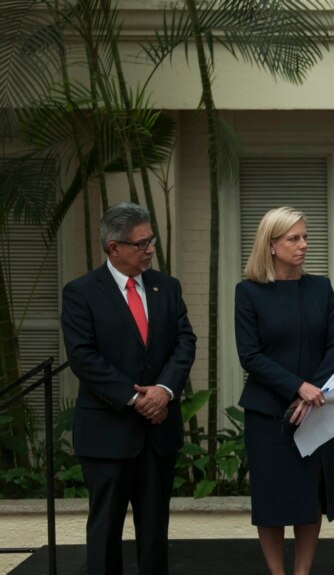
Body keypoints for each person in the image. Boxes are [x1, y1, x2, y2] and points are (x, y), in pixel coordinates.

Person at [61, 202, 196, 575]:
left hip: (158, 432)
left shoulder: (166, 287)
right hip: (107, 432)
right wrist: (136, 397)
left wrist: (164, 390)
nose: (150, 249)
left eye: (151, 240)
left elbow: (185, 342)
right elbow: (83, 357)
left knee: (154, 533)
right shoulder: (81, 292)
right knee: (105, 532)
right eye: (141, 243)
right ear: (113, 248)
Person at [235, 207, 334, 575]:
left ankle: (303, 572)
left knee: (308, 496)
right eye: (293, 239)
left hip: (317, 410)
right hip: (268, 413)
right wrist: (298, 388)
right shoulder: (248, 292)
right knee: (271, 501)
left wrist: (312, 392)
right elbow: (249, 355)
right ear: (271, 245)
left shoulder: (320, 287)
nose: (303, 245)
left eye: (304, 237)